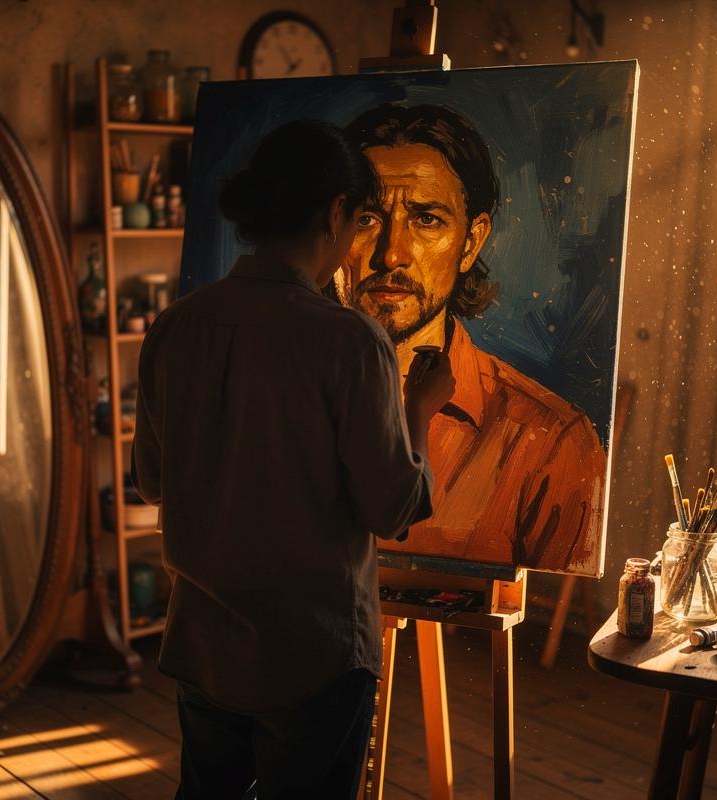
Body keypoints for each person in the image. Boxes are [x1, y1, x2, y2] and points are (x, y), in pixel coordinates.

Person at [131, 119, 454, 798]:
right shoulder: (349, 342)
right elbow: (392, 506)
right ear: (336, 212)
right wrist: (419, 409)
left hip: (203, 641)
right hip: (313, 654)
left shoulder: (176, 326)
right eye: (362, 221)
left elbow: (151, 481)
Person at [338, 104, 607, 572]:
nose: (392, 255)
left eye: (426, 219)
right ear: (330, 229)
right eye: (366, 219)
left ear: (471, 241)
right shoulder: (273, 395)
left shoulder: (552, 443)